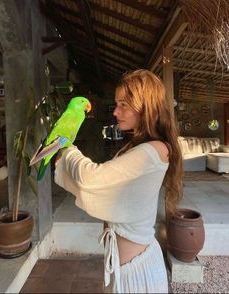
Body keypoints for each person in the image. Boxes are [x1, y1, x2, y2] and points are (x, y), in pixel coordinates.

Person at [54, 69, 183, 293]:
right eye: (116, 104)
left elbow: (91, 180)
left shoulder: (154, 151)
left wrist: (66, 150)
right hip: (124, 270)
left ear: (147, 105)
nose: (115, 112)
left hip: (139, 275)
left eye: (123, 104)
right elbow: (108, 189)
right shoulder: (136, 146)